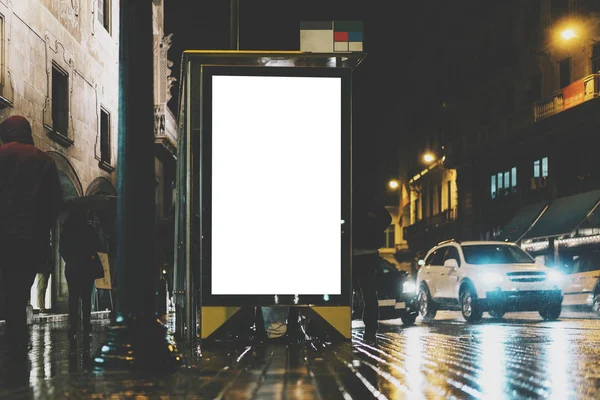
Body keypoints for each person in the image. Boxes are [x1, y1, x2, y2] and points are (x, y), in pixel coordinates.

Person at [0, 115, 63, 353]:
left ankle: (13, 339)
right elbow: (55, 203)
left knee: (8, 288)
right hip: (30, 240)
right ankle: (17, 338)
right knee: (19, 289)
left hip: (3, 236)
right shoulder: (44, 161)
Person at [352, 187, 392, 343]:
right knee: (368, 293)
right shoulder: (371, 205)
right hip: (368, 254)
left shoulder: (352, 204)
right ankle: (370, 329)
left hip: (355, 254)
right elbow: (386, 219)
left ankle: (369, 328)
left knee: (362, 293)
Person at [60, 212, 104, 339]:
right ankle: (86, 324)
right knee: (86, 297)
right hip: (87, 267)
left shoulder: (66, 230)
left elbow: (61, 249)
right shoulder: (89, 229)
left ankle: (73, 326)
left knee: (73, 297)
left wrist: (70, 260)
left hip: (72, 267)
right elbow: (98, 246)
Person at [36, 243, 54, 313]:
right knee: (41, 288)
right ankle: (41, 307)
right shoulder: (44, 246)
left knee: (43, 288)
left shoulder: (47, 246)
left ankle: (42, 306)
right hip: (43, 269)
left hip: (46, 269)